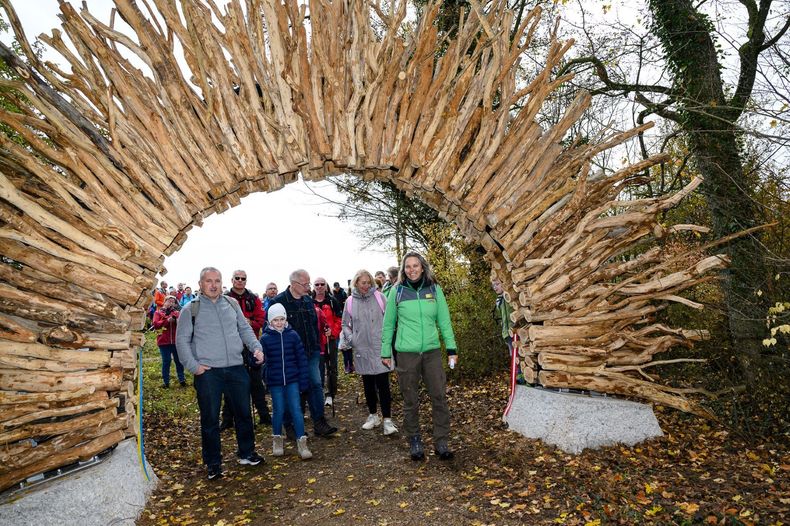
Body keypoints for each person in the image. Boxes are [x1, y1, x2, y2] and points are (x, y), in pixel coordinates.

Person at [175, 267, 265, 480]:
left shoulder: (232, 304)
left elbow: (244, 329)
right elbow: (182, 341)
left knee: (243, 414)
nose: (213, 285)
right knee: (210, 419)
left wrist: (256, 347)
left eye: (217, 280)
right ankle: (213, 463)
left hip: (236, 367)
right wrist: (194, 367)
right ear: (200, 284)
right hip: (208, 373)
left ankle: (246, 452)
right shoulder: (190, 309)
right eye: (209, 281)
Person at [381, 252, 457, 461]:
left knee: (439, 397)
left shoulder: (434, 289)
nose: (412, 269)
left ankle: (441, 441)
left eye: (416, 266)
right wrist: (385, 351)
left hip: (431, 352)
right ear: (403, 269)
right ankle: (414, 439)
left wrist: (451, 348)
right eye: (408, 266)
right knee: (410, 400)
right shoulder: (397, 292)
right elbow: (388, 324)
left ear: (422, 267)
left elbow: (445, 321)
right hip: (406, 353)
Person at [271, 269, 338, 437]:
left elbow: (314, 324)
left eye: (309, 283)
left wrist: (318, 343)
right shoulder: (279, 303)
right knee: (292, 389)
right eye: (306, 284)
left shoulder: (308, 301)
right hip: (289, 356)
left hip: (311, 352)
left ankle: (319, 422)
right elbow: (271, 329)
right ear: (294, 284)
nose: (309, 287)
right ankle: (291, 425)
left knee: (315, 385)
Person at [341, 270, 397, 435]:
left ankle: (387, 420)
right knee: (368, 385)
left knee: (383, 385)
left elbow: (390, 319)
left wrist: (387, 340)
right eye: (362, 282)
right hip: (362, 349)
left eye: (368, 282)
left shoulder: (380, 298)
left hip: (380, 348)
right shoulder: (350, 302)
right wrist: (353, 339)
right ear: (356, 283)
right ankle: (373, 415)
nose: (365, 286)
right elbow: (345, 324)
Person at [260, 303, 312, 460]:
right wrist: (265, 375)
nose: (280, 323)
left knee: (296, 410)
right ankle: (277, 439)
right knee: (279, 410)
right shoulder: (265, 338)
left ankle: (302, 443)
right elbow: (262, 361)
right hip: (276, 382)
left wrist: (303, 380)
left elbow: (301, 360)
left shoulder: (293, 335)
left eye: (282, 319)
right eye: (276, 320)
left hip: (292, 380)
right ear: (270, 321)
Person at [221, 270, 271, 429]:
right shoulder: (224, 299)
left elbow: (260, 319)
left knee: (256, 382)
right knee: (230, 383)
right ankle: (228, 419)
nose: (240, 281)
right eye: (237, 278)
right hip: (230, 346)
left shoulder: (253, 299)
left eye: (243, 278)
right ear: (232, 279)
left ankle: (264, 415)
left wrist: (247, 323)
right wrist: (241, 323)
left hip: (251, 345)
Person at [312, 277, 342, 409]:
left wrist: (333, 332)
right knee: (317, 368)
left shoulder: (332, 301)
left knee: (332, 367)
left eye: (321, 284)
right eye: (316, 284)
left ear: (325, 286)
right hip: (315, 341)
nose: (319, 286)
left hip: (330, 340)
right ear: (313, 286)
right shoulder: (308, 301)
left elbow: (339, 319)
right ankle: (317, 394)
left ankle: (330, 393)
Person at [152, 295, 186, 388]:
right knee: (166, 361)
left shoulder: (176, 313)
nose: (171, 303)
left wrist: (177, 320)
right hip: (163, 341)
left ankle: (182, 379)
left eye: (173, 302)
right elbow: (155, 324)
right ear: (165, 301)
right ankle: (166, 382)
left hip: (175, 341)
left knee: (178, 361)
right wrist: (167, 320)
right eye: (169, 301)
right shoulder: (158, 312)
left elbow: (182, 324)